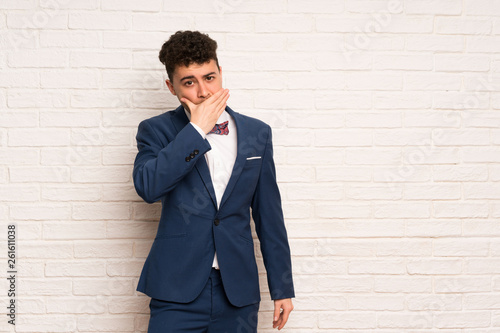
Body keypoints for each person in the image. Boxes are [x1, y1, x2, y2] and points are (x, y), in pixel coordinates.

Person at [132, 30, 294, 332]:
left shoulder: (257, 133)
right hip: (175, 289)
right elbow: (148, 188)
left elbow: (269, 214)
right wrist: (195, 131)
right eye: (189, 82)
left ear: (221, 73)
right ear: (171, 86)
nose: (203, 92)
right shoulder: (157, 131)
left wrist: (282, 287)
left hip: (238, 292)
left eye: (209, 78)